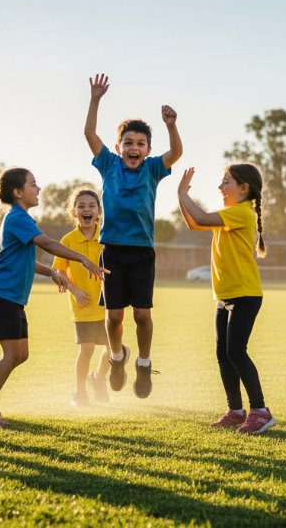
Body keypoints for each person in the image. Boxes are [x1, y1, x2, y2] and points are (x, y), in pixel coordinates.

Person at [0, 168, 107, 427]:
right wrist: (82, 258)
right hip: (1, 295)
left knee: (20, 354)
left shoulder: (22, 219)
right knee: (11, 354)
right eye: (33, 184)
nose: (38, 189)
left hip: (11, 298)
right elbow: (48, 244)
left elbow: (27, 259)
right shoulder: (18, 218)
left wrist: (51, 271)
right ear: (18, 192)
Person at [84, 73, 183, 399]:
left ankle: (143, 363)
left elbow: (177, 152)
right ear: (118, 147)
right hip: (112, 250)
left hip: (141, 251)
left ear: (148, 149)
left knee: (142, 314)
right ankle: (116, 358)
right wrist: (96, 99)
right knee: (113, 317)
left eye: (140, 143)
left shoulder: (153, 169)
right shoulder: (108, 164)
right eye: (128, 143)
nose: (134, 148)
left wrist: (170, 125)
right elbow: (88, 132)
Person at [178, 164, 275, 435]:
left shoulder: (241, 213)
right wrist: (181, 196)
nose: (221, 187)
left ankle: (260, 411)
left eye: (226, 182)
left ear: (244, 189)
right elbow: (194, 221)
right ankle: (235, 411)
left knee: (236, 352)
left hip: (245, 293)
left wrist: (182, 192)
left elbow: (200, 215)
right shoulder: (229, 214)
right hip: (224, 295)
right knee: (223, 353)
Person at [54, 188, 110, 406]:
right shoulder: (67, 241)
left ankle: (98, 378)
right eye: (81, 206)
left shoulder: (107, 236)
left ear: (99, 212)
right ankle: (79, 393)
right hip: (83, 306)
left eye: (91, 206)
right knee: (86, 350)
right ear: (73, 213)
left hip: (108, 305)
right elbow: (59, 272)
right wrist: (75, 291)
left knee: (113, 350)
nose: (87, 209)